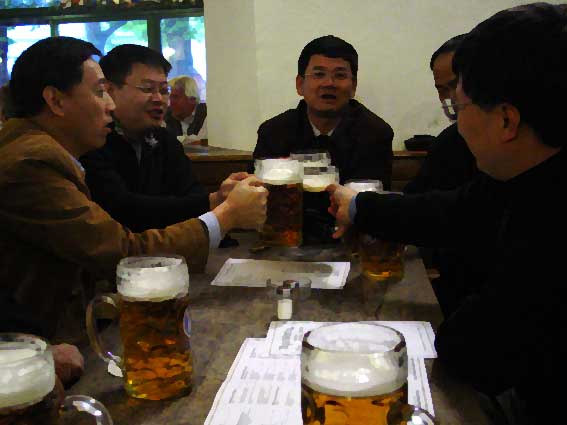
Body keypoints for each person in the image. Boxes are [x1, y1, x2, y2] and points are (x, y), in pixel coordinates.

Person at [328, 3, 564, 422]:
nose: (457, 126)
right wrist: (359, 205)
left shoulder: (550, 217)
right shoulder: (525, 174)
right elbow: (455, 210)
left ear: (507, 120)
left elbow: (475, 351)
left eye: (460, 107)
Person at [0, 37, 267, 348]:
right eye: (100, 92)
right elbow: (123, 253)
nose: (110, 105)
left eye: (164, 90)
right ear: (56, 101)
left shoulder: (45, 150)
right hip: (33, 346)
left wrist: (218, 206)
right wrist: (226, 215)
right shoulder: (31, 162)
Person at [254, 35, 393, 243]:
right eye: (319, 74)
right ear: (300, 84)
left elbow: (372, 205)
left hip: (350, 244)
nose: (329, 83)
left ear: (353, 86)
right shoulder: (274, 132)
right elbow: (260, 201)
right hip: (285, 242)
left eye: (340, 75)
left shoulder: (375, 133)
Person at [80, 45, 232, 233]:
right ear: (109, 90)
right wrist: (212, 201)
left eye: (164, 90)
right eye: (147, 88)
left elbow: (193, 193)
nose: (159, 98)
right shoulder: (93, 140)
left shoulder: (164, 140)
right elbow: (121, 208)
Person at [404, 34, 480, 318]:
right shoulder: (450, 141)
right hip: (457, 287)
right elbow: (416, 202)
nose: (451, 97)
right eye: (442, 89)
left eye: (456, 84)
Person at [165, 74, 207, 143]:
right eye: (170, 97)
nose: (171, 101)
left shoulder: (206, 115)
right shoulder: (167, 115)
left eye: (176, 97)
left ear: (192, 99)